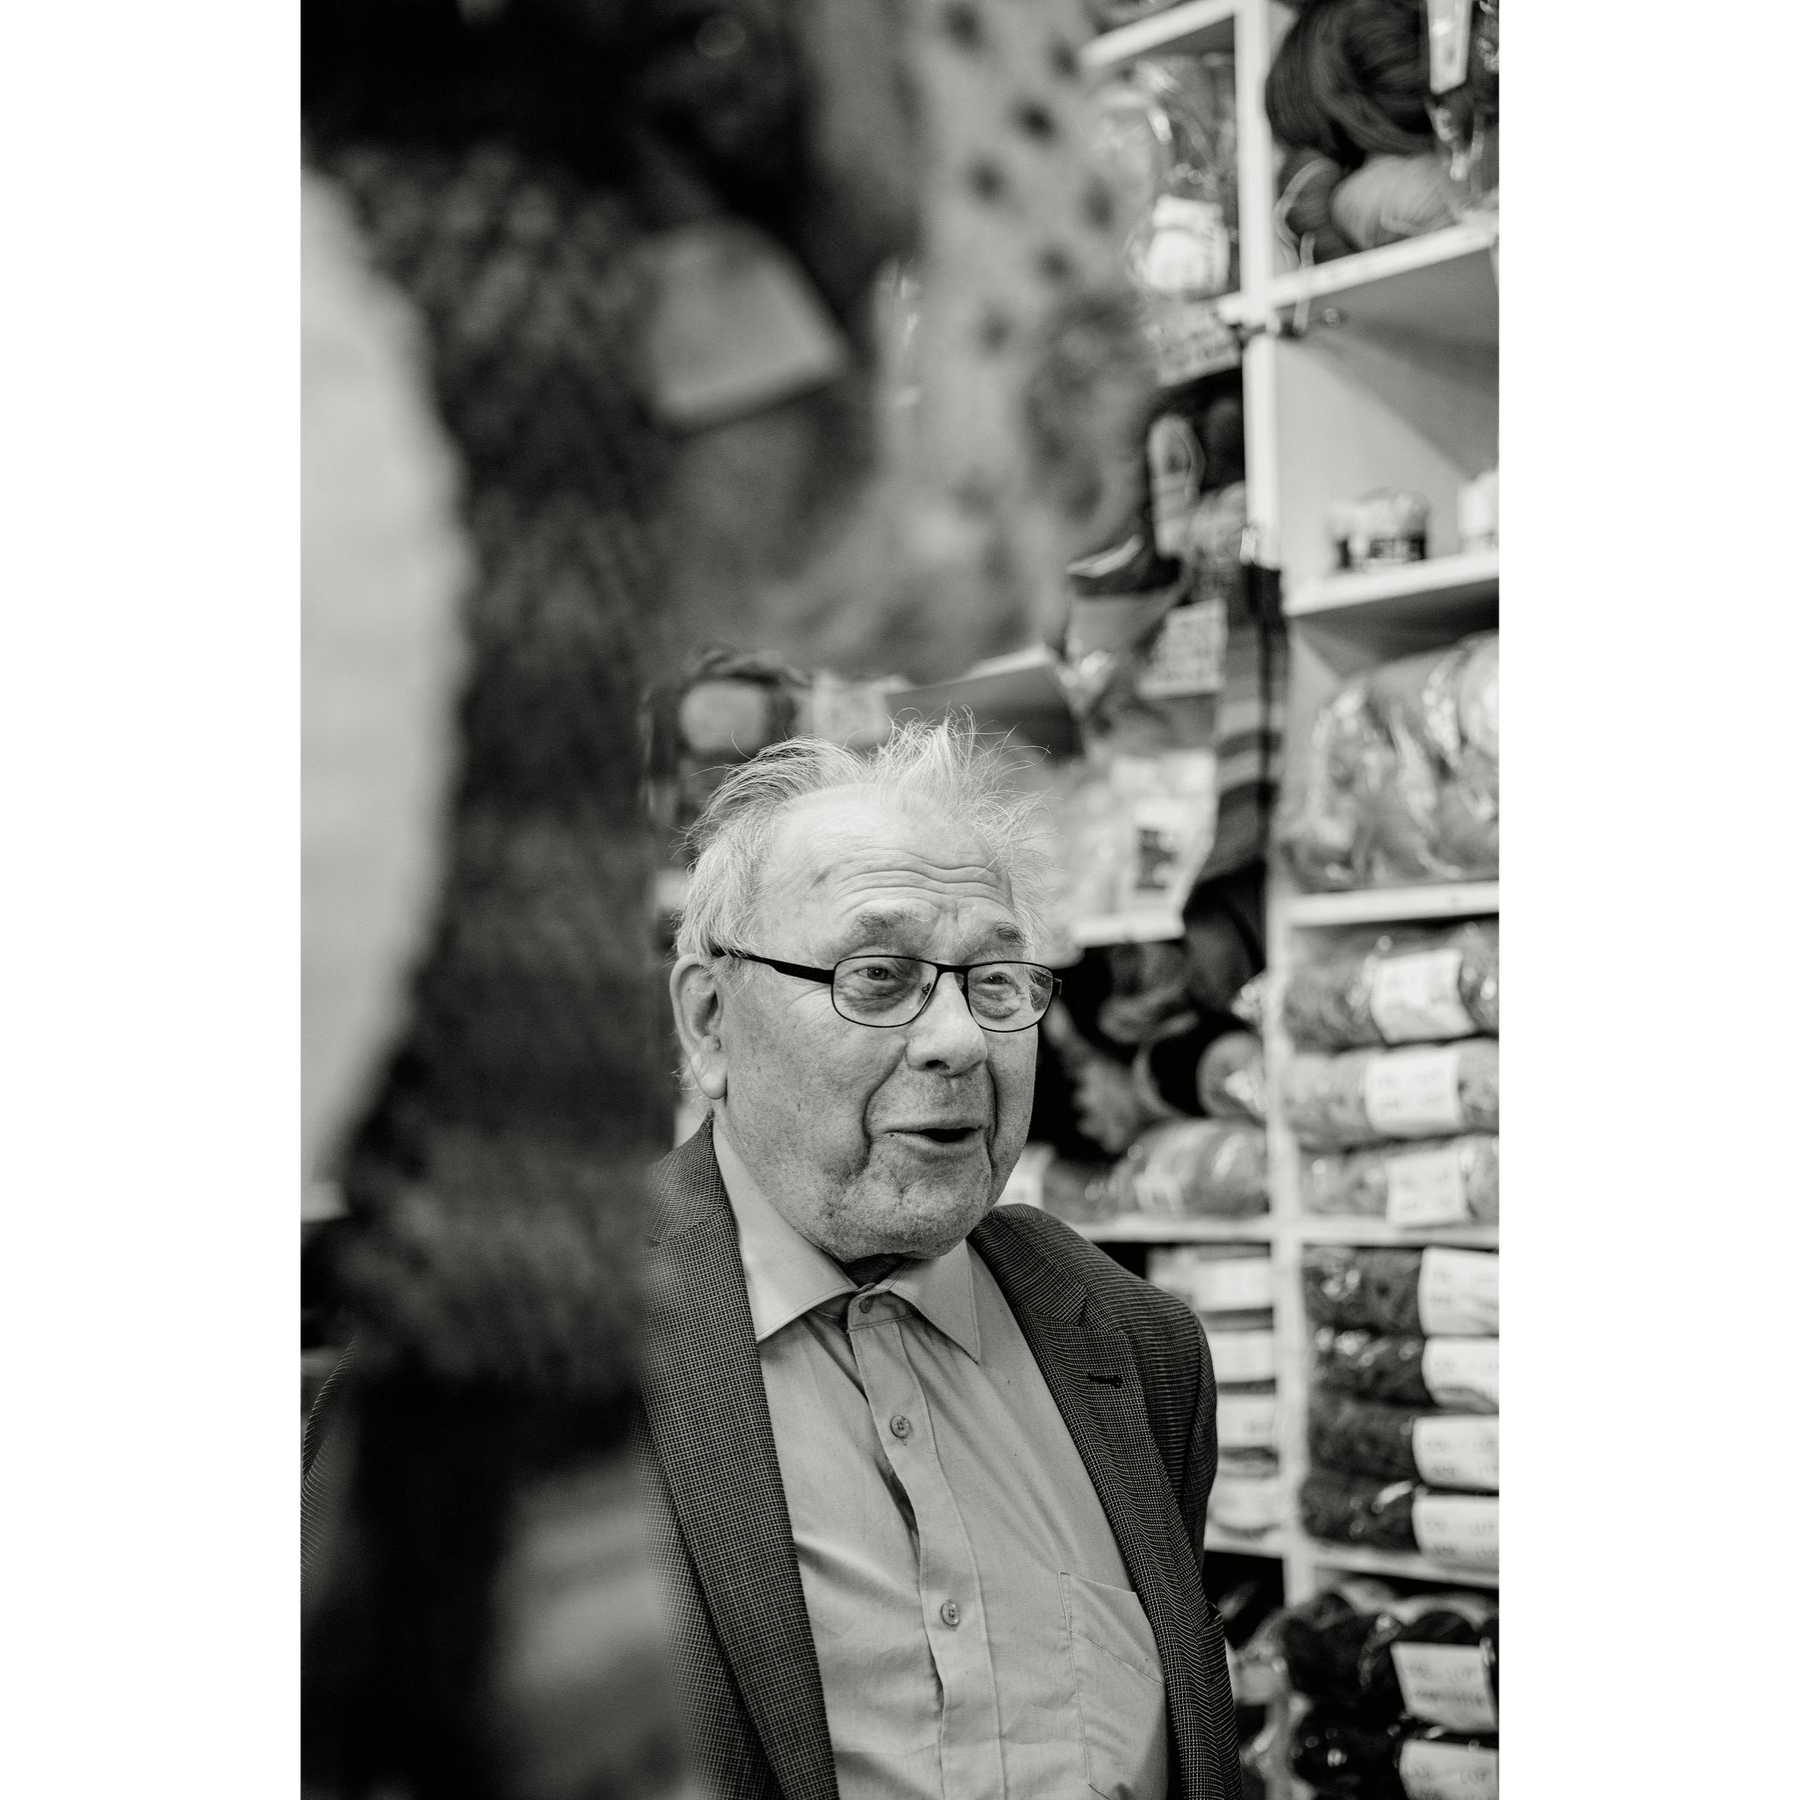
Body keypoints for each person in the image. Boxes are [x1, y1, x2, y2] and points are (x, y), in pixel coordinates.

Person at [645, 718, 1240, 1800]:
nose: (961, 1040)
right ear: (710, 1021)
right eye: (879, 976)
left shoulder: (1135, 1348)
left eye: (996, 981)